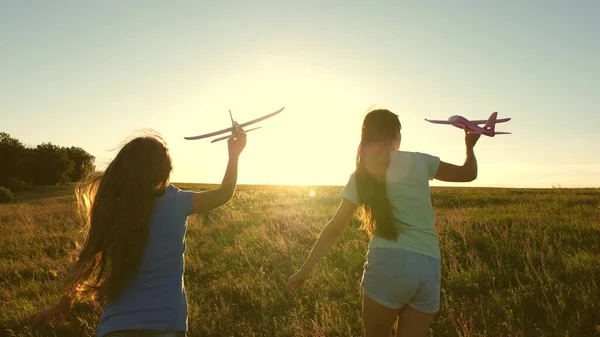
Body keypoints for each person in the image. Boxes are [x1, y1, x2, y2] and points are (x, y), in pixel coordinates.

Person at [33, 126, 247, 337]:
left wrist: (64, 303)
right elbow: (224, 193)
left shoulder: (114, 208)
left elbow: (87, 261)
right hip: (165, 324)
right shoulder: (177, 201)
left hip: (115, 327)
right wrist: (234, 154)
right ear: (165, 169)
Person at [286, 108, 481, 337]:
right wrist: (470, 145)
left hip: (387, 264)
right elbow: (468, 173)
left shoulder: (361, 175)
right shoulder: (420, 161)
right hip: (428, 267)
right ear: (396, 134)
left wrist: (305, 269)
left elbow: (335, 228)